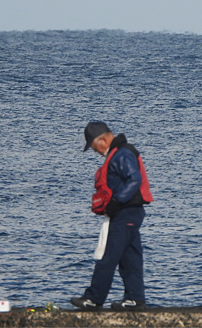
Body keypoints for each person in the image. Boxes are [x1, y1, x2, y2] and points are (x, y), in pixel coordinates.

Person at [71, 121, 153, 311]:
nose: (95, 151)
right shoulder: (121, 153)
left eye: (93, 146)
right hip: (131, 212)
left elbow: (134, 179)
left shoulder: (121, 154)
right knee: (130, 258)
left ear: (102, 139)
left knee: (109, 256)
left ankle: (93, 298)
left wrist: (115, 202)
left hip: (126, 212)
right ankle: (135, 299)